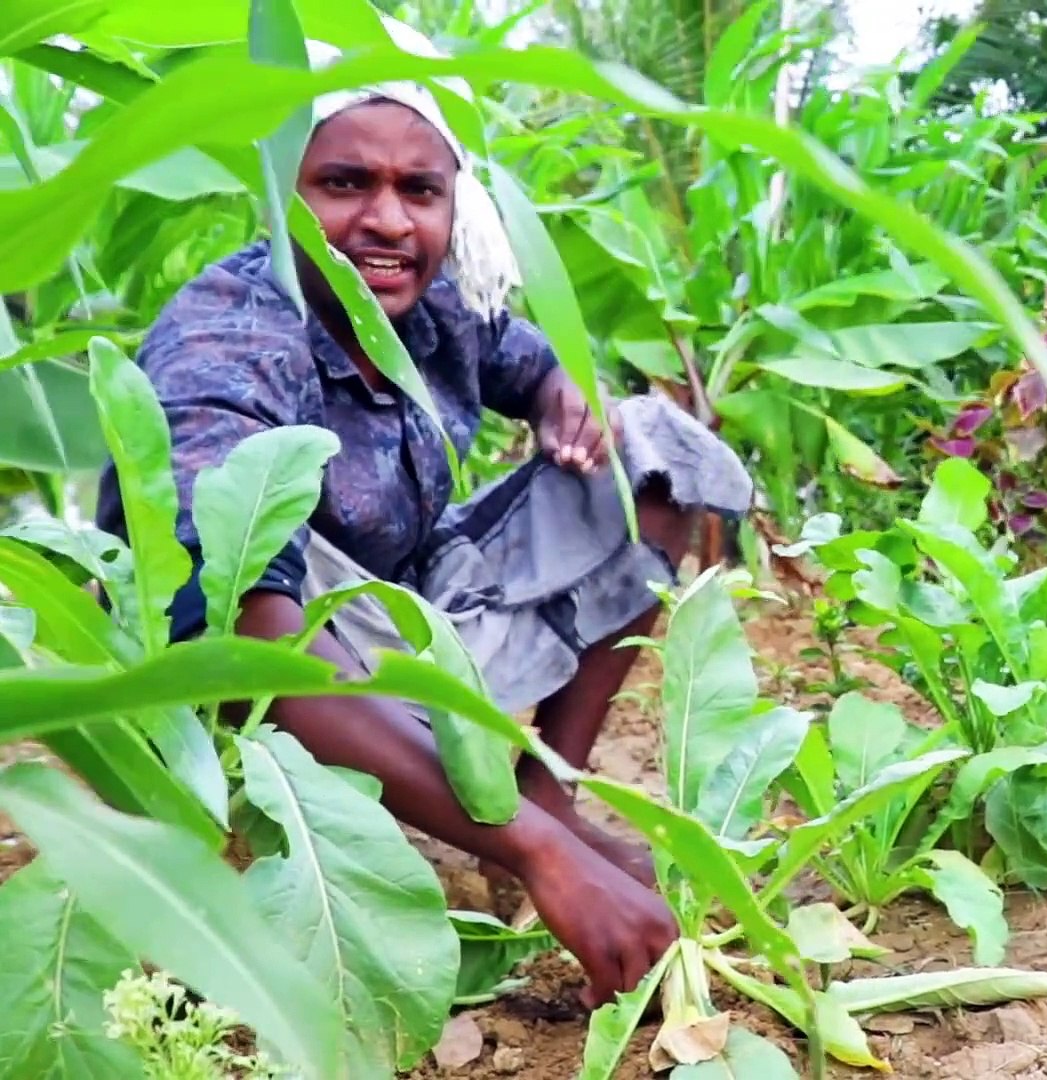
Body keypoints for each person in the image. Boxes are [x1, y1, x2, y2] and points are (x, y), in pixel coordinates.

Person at [92, 37, 751, 1008]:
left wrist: (564, 393)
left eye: (420, 190)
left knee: (658, 455)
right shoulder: (227, 344)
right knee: (257, 570)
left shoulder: (434, 306)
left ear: (453, 203)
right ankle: (520, 827)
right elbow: (240, 648)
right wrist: (541, 861)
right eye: (344, 183)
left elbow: (526, 362)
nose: (386, 221)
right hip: (246, 676)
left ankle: (544, 792)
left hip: (402, 618)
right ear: (284, 194)